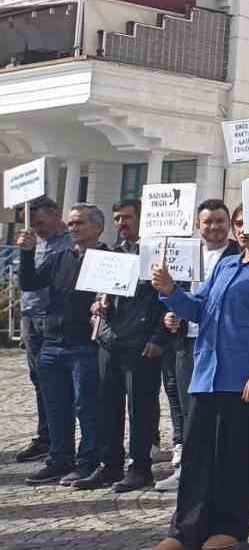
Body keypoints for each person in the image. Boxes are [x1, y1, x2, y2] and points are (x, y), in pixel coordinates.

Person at [147, 224, 249, 550]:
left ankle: (230, 527)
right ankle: (186, 530)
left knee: (236, 456)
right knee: (196, 456)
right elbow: (200, 309)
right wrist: (171, 294)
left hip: (243, 378)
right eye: (240, 224)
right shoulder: (226, 264)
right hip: (206, 374)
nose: (243, 231)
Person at [17, 205, 106, 486]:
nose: (73, 228)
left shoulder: (111, 258)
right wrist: (27, 252)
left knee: (86, 407)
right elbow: (30, 283)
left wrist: (105, 304)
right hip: (53, 343)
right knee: (56, 407)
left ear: (97, 227)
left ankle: (88, 461)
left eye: (79, 223)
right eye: (71, 223)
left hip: (85, 346)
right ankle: (59, 459)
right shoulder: (59, 257)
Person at [157, 199, 238, 494]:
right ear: (197, 225)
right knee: (186, 409)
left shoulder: (238, 255)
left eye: (220, 220)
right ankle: (187, 470)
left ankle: (215, 471)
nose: (215, 226)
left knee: (215, 412)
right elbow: (172, 293)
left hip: (219, 345)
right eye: (208, 221)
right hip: (185, 341)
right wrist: (169, 315)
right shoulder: (183, 254)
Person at [87, 200, 167, 492]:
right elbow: (99, 292)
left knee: (140, 409)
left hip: (140, 342)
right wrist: (98, 303)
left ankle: (140, 467)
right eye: (118, 218)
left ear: (143, 219)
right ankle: (109, 465)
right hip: (110, 340)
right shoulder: (111, 253)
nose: (122, 223)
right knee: (107, 406)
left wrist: (158, 338)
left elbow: (165, 300)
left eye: (128, 217)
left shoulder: (157, 254)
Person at [14, 197, 71, 465]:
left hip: (53, 317)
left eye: (40, 222)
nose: (37, 229)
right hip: (30, 317)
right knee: (39, 380)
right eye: (33, 223)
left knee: (57, 382)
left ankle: (61, 441)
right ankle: (46, 437)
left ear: (55, 215)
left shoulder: (69, 243)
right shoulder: (32, 240)